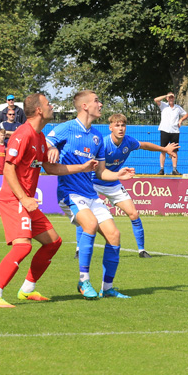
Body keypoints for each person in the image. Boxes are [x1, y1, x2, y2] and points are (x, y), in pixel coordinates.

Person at [0, 93, 95, 309]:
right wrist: (24, 198)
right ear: (38, 110)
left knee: (53, 242)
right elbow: (8, 169)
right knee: (23, 247)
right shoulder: (22, 134)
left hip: (26, 201)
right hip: (14, 199)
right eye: (48, 104)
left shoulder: (40, 137)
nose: (52, 106)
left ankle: (26, 290)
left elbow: (51, 168)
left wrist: (82, 167)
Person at [47, 91, 136, 299]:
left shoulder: (97, 137)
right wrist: (51, 148)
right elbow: (45, 144)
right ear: (85, 106)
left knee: (114, 235)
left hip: (90, 194)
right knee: (90, 225)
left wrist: (118, 174)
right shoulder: (65, 128)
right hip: (70, 192)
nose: (101, 104)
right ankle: (84, 281)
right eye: (96, 101)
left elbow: (101, 172)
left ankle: (107, 288)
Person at [78, 113, 179, 259]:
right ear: (110, 127)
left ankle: (142, 250)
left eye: (123, 125)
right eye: (117, 125)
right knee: (86, 216)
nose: (120, 128)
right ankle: (78, 248)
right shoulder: (103, 144)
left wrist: (164, 149)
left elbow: (144, 145)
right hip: (94, 182)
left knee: (134, 214)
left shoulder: (128, 142)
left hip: (113, 182)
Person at [154, 92, 188, 175]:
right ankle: (161, 169)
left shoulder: (178, 108)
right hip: (165, 130)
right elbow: (156, 100)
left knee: (174, 150)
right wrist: (166, 95)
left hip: (175, 131)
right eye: (169, 97)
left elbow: (186, 114)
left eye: (172, 97)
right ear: (167, 98)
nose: (171, 99)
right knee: (162, 150)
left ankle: (174, 169)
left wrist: (180, 120)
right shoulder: (163, 105)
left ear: (174, 98)